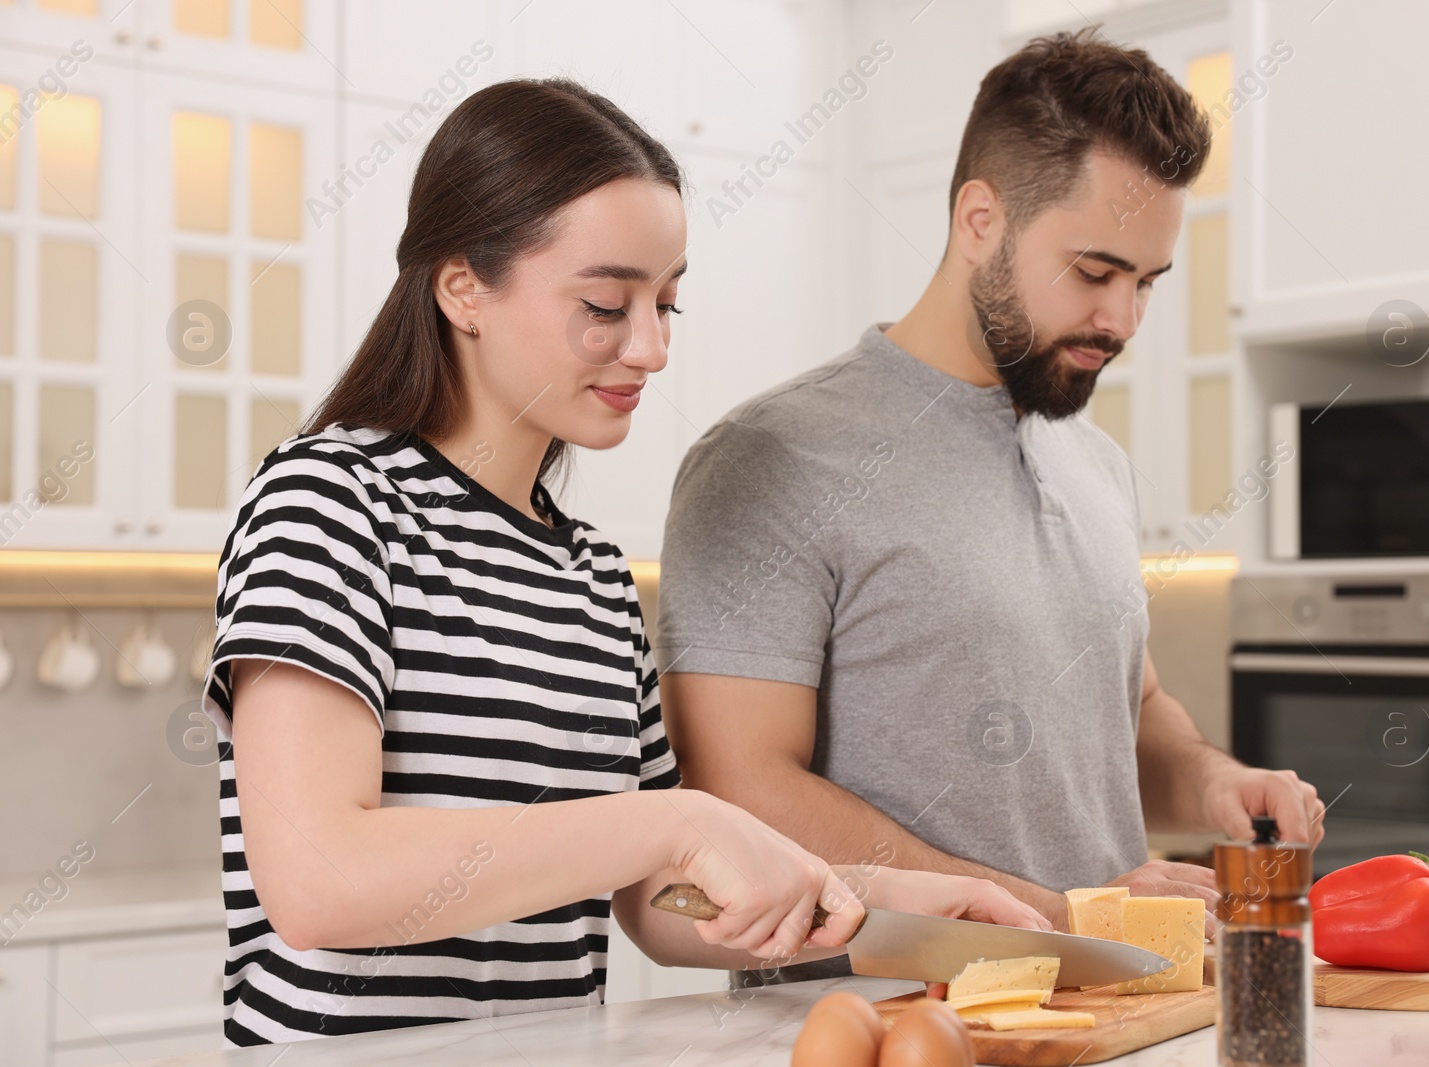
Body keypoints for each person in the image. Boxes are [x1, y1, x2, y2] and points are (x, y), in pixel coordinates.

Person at [200, 78, 1048, 1047]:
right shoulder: (332, 503)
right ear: (461, 285)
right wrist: (672, 822)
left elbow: (656, 897)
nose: (648, 347)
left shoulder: (595, 577)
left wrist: (893, 900)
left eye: (667, 304)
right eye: (606, 303)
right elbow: (318, 877)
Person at [655, 30, 1326, 983]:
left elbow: (1128, 711)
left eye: (1146, 283)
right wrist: (1064, 920)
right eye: (1095, 273)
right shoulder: (770, 460)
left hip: (1109, 1019)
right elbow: (740, 786)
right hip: (868, 1029)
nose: (1123, 321)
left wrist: (1215, 779)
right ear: (979, 219)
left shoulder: (1095, 461)